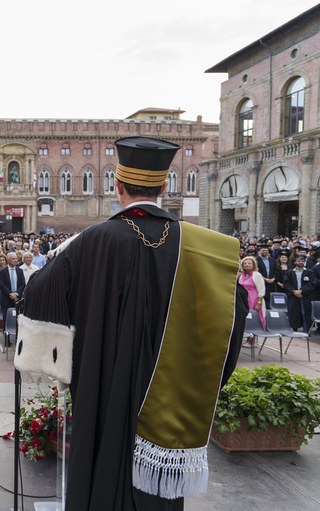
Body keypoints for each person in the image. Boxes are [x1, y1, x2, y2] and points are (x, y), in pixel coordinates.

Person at [18, 136, 247, 510]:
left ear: (118, 186)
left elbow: (36, 297)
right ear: (162, 187)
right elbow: (232, 314)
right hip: (168, 397)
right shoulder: (204, 248)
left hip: (103, 388)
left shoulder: (90, 241)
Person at [284, 254, 316, 333]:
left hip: (305, 296)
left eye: (302, 261)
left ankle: (306, 331)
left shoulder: (310, 272)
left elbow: (312, 284)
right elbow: (286, 283)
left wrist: (301, 290)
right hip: (293, 295)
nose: (300, 262)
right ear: (295, 262)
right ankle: (293, 330)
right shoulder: (290, 272)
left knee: (305, 313)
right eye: (299, 261)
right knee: (293, 313)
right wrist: (294, 291)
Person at [0, 251, 25, 326]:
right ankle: (7, 335)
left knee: (18, 319)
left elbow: (22, 284)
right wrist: (10, 294)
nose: (16, 260)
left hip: (17, 299)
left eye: (16, 258)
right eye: (13, 259)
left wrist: (16, 294)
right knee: (7, 319)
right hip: (6, 299)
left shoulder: (20, 270)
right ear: (8, 260)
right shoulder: (2, 271)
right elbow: (1, 285)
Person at [239, 255, 266, 328]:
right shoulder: (242, 275)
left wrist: (259, 303)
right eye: (245, 263)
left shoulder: (257, 275)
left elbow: (261, 290)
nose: (247, 265)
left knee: (254, 318)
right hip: (243, 300)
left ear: (253, 265)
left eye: (249, 263)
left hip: (254, 300)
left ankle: (253, 338)